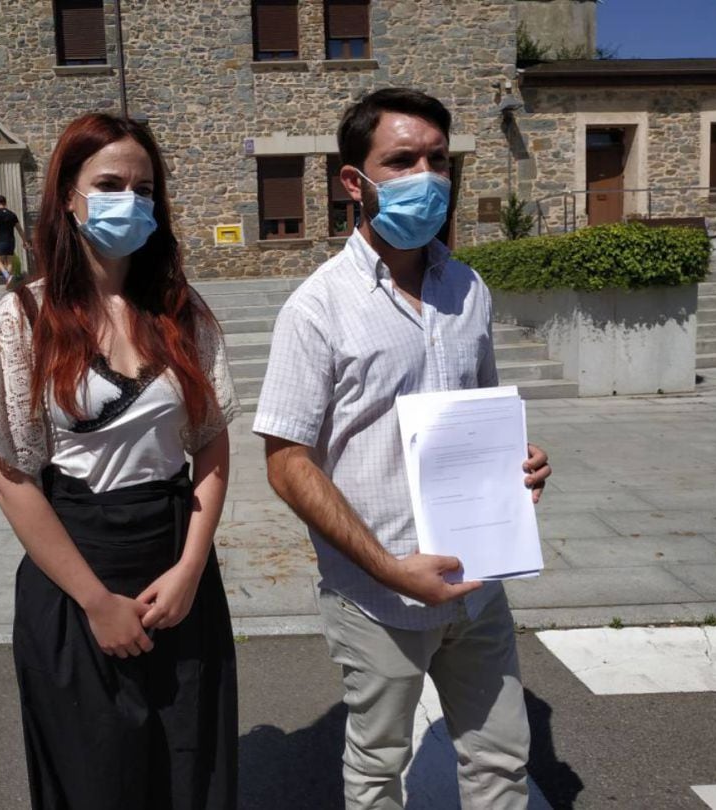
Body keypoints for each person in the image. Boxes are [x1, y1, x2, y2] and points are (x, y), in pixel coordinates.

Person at [253, 88, 552, 810]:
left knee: (502, 759)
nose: (428, 175)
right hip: (377, 593)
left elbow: (479, 414)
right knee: (379, 766)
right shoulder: (317, 308)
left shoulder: (468, 288)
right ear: (353, 182)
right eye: (403, 160)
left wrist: (521, 466)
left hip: (478, 585)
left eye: (438, 159)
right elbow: (286, 462)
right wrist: (390, 569)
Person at [0, 113, 239, 809]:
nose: (130, 200)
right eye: (110, 183)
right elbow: (11, 476)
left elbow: (209, 441)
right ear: (67, 195)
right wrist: (94, 602)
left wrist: (189, 569)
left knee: (190, 770)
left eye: (143, 188)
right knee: (97, 780)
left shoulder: (182, 312)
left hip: (176, 566)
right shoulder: (23, 319)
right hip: (76, 574)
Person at [0, 195, 31, 285]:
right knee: (9, 262)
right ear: (5, 203)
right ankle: (9, 282)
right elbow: (19, 229)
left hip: (0, 241)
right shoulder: (12, 214)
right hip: (11, 241)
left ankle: (7, 277)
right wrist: (25, 241)